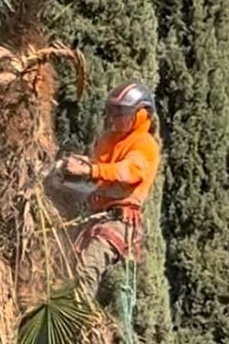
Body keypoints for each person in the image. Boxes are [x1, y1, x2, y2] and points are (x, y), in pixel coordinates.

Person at [58, 81, 161, 297]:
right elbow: (100, 173)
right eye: (112, 111)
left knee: (87, 268)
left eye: (121, 112)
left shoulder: (144, 143)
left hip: (119, 222)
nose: (114, 117)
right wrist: (78, 167)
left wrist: (91, 170)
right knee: (62, 264)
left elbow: (129, 172)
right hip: (95, 216)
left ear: (140, 113)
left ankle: (76, 318)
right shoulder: (108, 140)